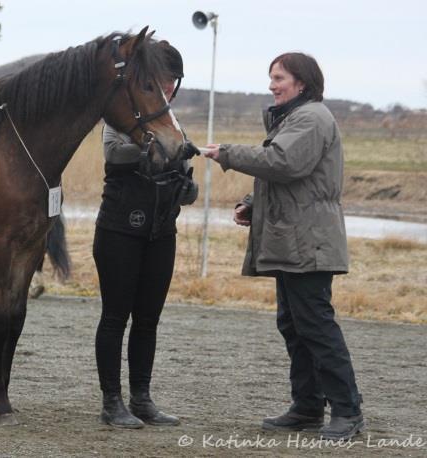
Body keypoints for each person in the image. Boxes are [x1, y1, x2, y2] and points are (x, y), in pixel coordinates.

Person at [203, 52, 364, 440]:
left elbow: (283, 162)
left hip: (308, 241)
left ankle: (347, 412)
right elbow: (290, 178)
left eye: (279, 78)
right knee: (294, 325)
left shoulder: (311, 117)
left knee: (316, 326)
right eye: (271, 78)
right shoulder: (295, 118)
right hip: (294, 239)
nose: (273, 85)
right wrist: (252, 204)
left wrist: (226, 153)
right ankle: (307, 407)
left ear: (302, 83)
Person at [93, 41, 198, 428]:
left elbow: (184, 175)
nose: (168, 88)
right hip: (120, 228)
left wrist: (188, 189)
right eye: (162, 81)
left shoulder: (172, 122)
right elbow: (114, 156)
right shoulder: (122, 117)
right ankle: (111, 402)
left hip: (160, 230)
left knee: (148, 320)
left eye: (173, 82)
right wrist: (155, 154)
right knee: (115, 317)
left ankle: (142, 398)